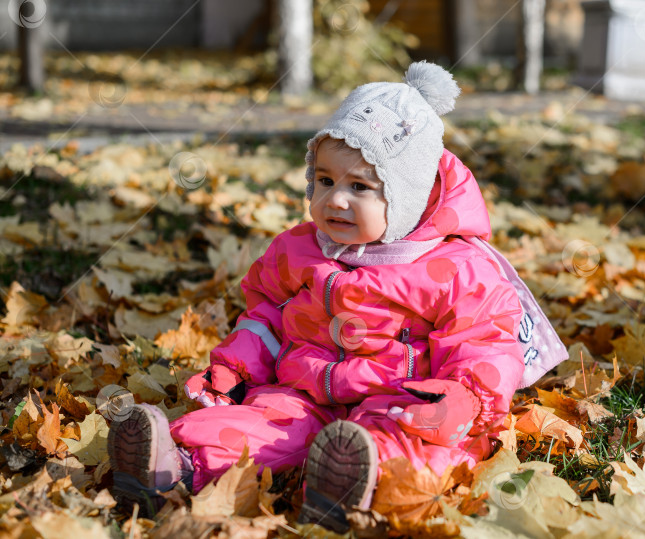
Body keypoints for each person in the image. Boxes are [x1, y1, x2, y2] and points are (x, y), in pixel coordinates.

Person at [108, 61, 568, 531]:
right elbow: (265, 315)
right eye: (325, 181)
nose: (336, 200)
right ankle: (173, 464)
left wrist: (464, 398)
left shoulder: (456, 269)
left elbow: (485, 340)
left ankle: (350, 483)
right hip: (303, 392)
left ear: (408, 197)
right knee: (260, 425)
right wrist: (235, 367)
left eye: (361, 187)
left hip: (399, 402)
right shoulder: (298, 249)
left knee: (418, 450)